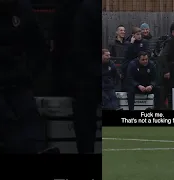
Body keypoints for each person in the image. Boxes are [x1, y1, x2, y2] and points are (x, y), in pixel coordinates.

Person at [0, 0, 59, 153]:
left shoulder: (21, 9)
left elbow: (39, 47)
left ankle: (38, 149)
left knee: (30, 115)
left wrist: (29, 74)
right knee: (5, 118)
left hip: (17, 80)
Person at [70, 0, 100, 154]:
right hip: (88, 73)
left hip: (87, 73)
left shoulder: (87, 8)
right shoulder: (88, 8)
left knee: (85, 123)